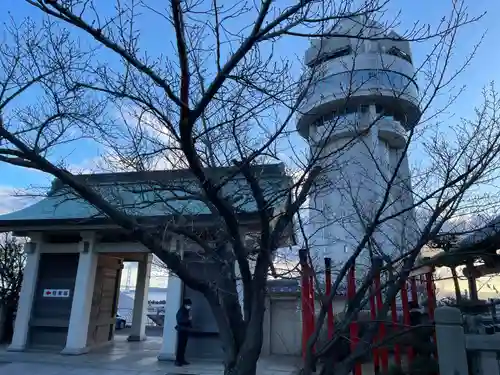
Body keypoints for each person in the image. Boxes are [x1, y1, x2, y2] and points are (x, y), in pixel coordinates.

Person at [175, 298, 193, 366]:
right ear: (185, 305)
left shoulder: (185, 311)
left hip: (185, 329)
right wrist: (188, 319)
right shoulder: (181, 311)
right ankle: (178, 360)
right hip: (182, 330)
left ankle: (181, 359)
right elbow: (180, 320)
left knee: (183, 346)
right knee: (181, 346)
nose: (189, 306)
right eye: (188, 305)